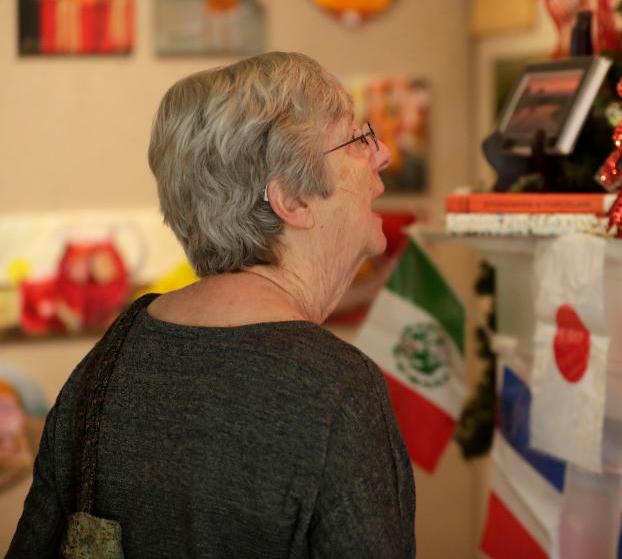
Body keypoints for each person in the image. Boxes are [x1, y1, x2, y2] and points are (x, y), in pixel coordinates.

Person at [7, 52, 414, 558]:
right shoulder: (337, 389)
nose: (382, 156)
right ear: (292, 200)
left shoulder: (112, 355)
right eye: (356, 140)